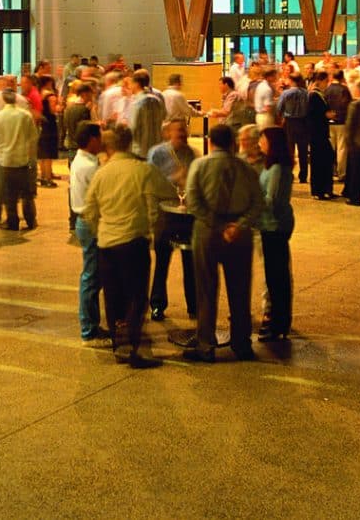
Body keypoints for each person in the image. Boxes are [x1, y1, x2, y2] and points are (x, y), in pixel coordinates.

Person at [82, 125, 176, 369]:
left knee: (113, 297)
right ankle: (134, 347)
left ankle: (119, 345)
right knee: (136, 296)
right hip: (134, 242)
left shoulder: (101, 173)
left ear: (109, 146)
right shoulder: (142, 169)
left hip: (106, 244)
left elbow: (89, 211)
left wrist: (100, 230)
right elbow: (168, 192)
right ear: (130, 143)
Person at [182, 124, 266, 363]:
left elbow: (193, 201)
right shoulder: (247, 169)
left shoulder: (199, 165)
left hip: (207, 231)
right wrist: (238, 226)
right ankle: (241, 343)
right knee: (240, 290)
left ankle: (205, 345)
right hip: (239, 235)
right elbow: (258, 203)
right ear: (232, 143)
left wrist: (217, 226)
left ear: (210, 142)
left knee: (206, 290)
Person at [146, 118, 197, 321]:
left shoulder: (190, 153)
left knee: (190, 262)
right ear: (168, 133)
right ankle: (157, 304)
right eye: (178, 131)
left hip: (186, 214)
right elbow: (150, 181)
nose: (182, 135)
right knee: (162, 261)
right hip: (165, 213)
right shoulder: (157, 153)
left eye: (184, 131)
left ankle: (193, 304)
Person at [255, 126, 295, 342]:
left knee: (277, 277)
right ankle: (279, 321)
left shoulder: (278, 169)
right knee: (275, 276)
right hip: (270, 225)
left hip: (274, 227)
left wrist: (252, 204)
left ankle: (279, 322)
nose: (260, 143)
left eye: (263, 139)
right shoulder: (272, 166)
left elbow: (272, 200)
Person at [68, 122, 105, 342]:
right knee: (91, 276)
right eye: (99, 137)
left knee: (93, 275)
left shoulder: (84, 160)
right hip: (90, 223)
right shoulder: (88, 166)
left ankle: (92, 324)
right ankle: (89, 328)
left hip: (86, 222)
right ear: (92, 140)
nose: (101, 141)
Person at [0, 88, 39, 231]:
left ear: (4, 100)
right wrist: (31, 157)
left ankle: (12, 222)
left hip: (6, 161)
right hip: (22, 160)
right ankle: (30, 220)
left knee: (9, 195)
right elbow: (33, 137)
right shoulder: (25, 115)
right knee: (27, 194)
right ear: (16, 99)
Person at [276, 73, 311, 184]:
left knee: (290, 150)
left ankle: (289, 174)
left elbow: (279, 108)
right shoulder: (306, 93)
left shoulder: (286, 93)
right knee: (303, 151)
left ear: (291, 80)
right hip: (303, 123)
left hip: (289, 123)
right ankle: (303, 176)